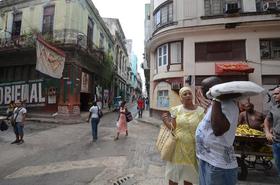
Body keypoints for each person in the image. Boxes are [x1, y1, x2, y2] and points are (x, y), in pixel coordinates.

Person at [196, 77, 241, 185]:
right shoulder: (216, 104)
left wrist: (216, 98)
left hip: (219, 165)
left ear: (213, 89)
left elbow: (218, 130)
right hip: (207, 160)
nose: (201, 90)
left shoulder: (228, 105)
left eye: (203, 87)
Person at [162, 87, 205, 185]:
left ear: (192, 95)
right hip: (178, 147)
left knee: (190, 176)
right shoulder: (176, 110)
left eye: (189, 93)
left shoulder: (200, 111)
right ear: (181, 98)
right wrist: (165, 121)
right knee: (174, 176)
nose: (188, 95)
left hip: (192, 149)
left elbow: (203, 129)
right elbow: (173, 128)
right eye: (184, 94)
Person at [264, 87, 280, 176]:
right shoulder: (274, 108)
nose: (274, 96)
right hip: (276, 142)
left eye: (277, 94)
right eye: (273, 94)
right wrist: (267, 132)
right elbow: (267, 120)